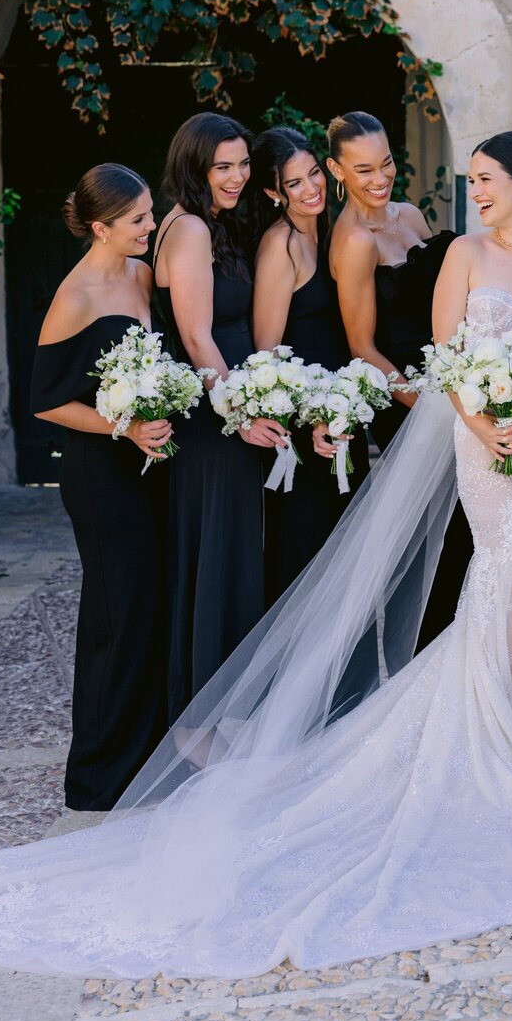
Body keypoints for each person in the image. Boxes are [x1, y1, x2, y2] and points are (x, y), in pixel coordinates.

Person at [0, 130, 512, 978]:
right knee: (507, 564)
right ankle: (498, 723)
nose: (470, 191)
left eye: (482, 179)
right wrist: (489, 420)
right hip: (481, 431)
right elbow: (447, 358)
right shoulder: (456, 252)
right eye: (466, 178)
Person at [29, 165, 170, 810]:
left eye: (149, 212)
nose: (150, 226)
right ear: (99, 227)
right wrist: (126, 426)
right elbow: (46, 401)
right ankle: (97, 773)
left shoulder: (142, 275)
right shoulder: (75, 295)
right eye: (138, 219)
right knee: (115, 614)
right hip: (99, 472)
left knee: (151, 606)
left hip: (150, 466)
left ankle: (147, 753)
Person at [153, 112, 287, 716]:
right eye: (222, 166)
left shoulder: (208, 224)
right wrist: (237, 416)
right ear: (194, 166)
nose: (236, 177)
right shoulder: (189, 232)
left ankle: (220, 716)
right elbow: (198, 337)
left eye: (242, 164)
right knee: (215, 564)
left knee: (227, 560)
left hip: (220, 415)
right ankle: (200, 726)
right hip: (211, 427)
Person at [327, 108, 468, 645]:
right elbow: (362, 347)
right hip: (405, 401)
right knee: (434, 539)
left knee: (467, 527)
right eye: (363, 170)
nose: (380, 178)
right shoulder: (355, 241)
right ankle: (426, 662)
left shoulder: (409, 215)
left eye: (385, 164)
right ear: (337, 170)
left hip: (448, 384)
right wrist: (431, 405)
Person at [250, 127, 367, 608]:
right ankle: (296, 684)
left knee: (349, 561)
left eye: (314, 172)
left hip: (344, 418)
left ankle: (348, 685)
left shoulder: (336, 229)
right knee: (308, 560)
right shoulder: (280, 246)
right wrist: (312, 417)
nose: (311, 188)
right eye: (294, 183)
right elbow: (266, 354)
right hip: (304, 434)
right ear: (274, 193)